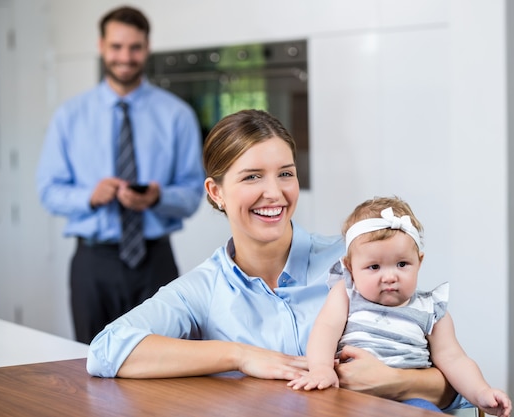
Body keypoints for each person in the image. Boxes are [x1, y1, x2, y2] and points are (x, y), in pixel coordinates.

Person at [86, 109, 469, 411]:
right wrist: (240, 355)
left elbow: (456, 384)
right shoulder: (202, 290)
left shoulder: (357, 261)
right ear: (215, 192)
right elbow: (106, 351)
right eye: (252, 177)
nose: (275, 193)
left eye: (285, 173)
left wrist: (395, 380)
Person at [36, 6, 204, 344]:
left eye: (135, 47)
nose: (125, 57)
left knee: (163, 361)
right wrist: (89, 196)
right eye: (116, 47)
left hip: (155, 261)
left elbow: (193, 193)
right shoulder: (69, 116)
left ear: (147, 47)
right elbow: (48, 190)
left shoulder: (177, 116)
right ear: (101, 46)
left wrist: (158, 198)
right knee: (90, 358)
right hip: (93, 263)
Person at [287, 196, 512, 416]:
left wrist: (481, 392)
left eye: (402, 264)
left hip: (410, 401)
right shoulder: (347, 294)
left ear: (419, 262)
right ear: (350, 267)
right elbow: (325, 330)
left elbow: (455, 359)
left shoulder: (432, 310)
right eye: (374, 267)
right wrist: (321, 369)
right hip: (352, 396)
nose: (390, 277)